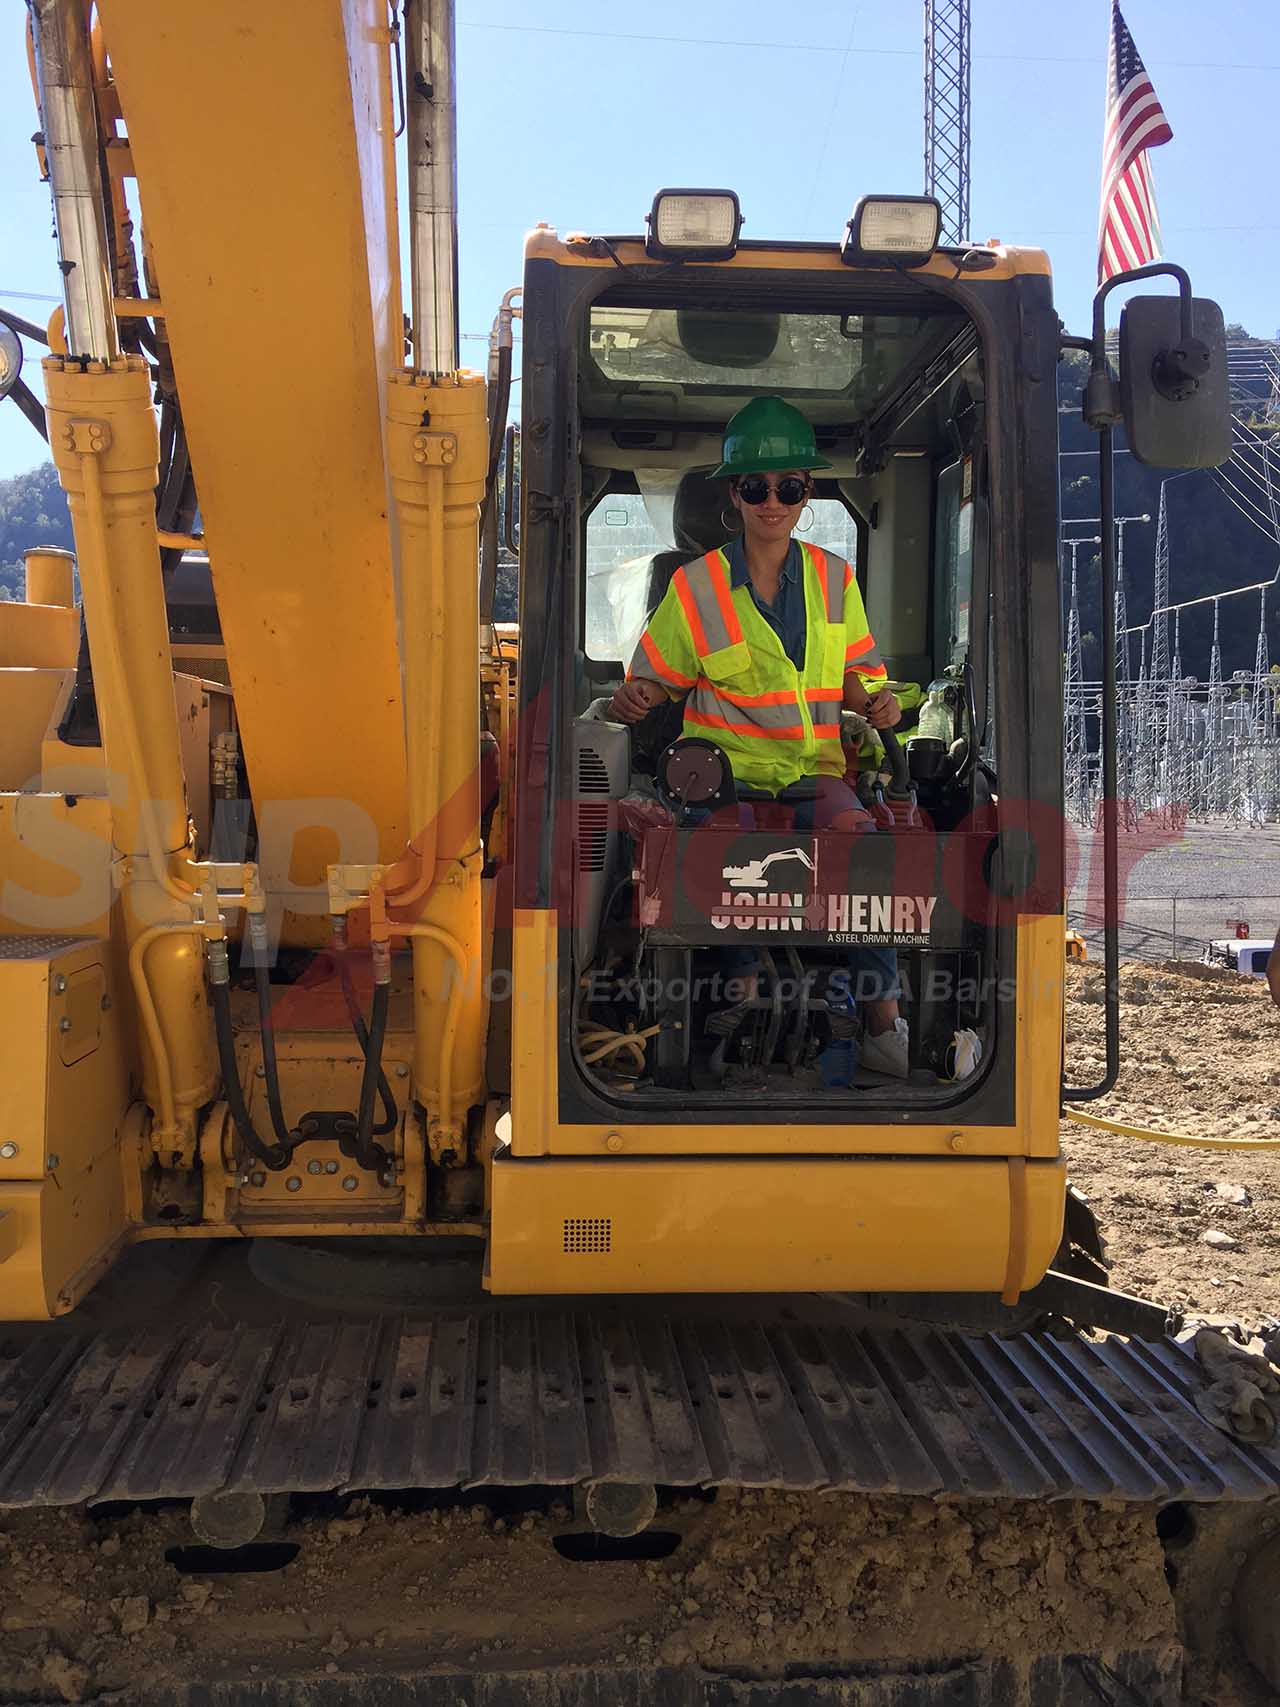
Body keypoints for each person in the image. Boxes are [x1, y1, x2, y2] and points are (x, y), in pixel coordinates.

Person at [608, 395, 909, 1078]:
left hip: (817, 776)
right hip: (728, 780)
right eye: (756, 487)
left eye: (789, 487)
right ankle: (736, 1005)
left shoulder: (837, 581)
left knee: (868, 859)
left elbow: (859, 683)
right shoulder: (695, 588)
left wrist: (882, 706)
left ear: (807, 494)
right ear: (734, 495)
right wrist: (633, 698)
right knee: (726, 860)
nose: (772, 501)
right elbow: (654, 683)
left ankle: (883, 1027)